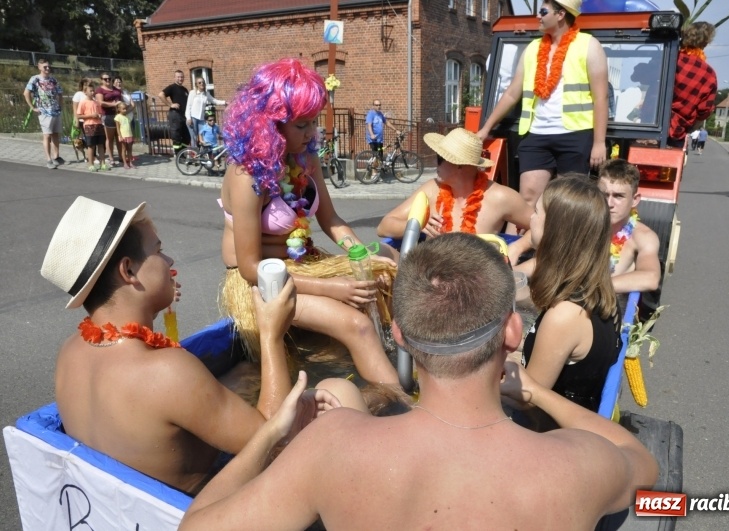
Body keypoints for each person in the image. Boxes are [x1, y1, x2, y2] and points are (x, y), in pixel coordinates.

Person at [178, 233, 659, 530]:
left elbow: (195, 528)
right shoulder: (572, 467)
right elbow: (641, 462)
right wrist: (538, 392)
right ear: (513, 332)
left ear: (401, 338)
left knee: (342, 394)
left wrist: (270, 434)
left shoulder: (328, 447)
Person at [40, 196, 366, 496]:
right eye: (158, 251)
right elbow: (273, 438)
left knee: (241, 377)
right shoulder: (166, 372)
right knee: (340, 392)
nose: (168, 259)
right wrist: (271, 334)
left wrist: (154, 303)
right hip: (207, 505)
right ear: (128, 270)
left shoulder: (71, 352)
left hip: (128, 506)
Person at [219, 58, 399, 385]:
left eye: (313, 122)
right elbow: (250, 268)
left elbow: (331, 220)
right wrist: (332, 288)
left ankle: (391, 377)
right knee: (356, 324)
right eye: (302, 125)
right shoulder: (247, 175)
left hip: (304, 263)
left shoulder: (305, 157)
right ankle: (402, 406)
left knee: (387, 276)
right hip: (265, 283)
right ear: (270, 124)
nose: (311, 133)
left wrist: (362, 257)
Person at [476, 0, 608, 207]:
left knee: (567, 203)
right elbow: (512, 93)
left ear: (560, 14)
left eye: (543, 11)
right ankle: (523, 229)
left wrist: (599, 143)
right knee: (527, 198)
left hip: (575, 134)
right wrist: (485, 128)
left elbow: (601, 98)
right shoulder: (532, 48)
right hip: (536, 134)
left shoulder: (589, 45)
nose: (538, 16)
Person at [519, 176, 620, 414]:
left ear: (554, 230)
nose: (530, 218)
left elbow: (527, 400)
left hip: (550, 430)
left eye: (537, 212)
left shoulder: (564, 316)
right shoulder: (596, 288)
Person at [377, 127, 533, 267]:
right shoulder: (432, 189)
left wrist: (518, 247)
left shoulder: (499, 196)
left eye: (440, 158)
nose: (435, 163)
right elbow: (383, 227)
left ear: (459, 165)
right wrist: (417, 226)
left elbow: (544, 227)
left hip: (477, 281)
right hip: (429, 275)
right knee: (378, 252)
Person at [597, 159, 661, 294]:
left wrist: (593, 290)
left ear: (634, 200)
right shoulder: (584, 226)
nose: (609, 203)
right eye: (604, 195)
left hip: (606, 302)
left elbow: (651, 278)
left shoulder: (642, 236)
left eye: (618, 196)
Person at [668, 21, 717, 149]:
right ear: (705, 43)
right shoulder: (708, 74)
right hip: (677, 131)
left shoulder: (668, 58)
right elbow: (704, 110)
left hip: (651, 124)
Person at [23, 58, 65, 170]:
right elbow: (26, 93)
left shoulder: (53, 79)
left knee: (55, 133)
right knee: (47, 135)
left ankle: (56, 156)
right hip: (44, 111)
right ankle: (48, 159)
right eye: (45, 67)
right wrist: (32, 107)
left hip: (55, 110)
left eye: (48, 66)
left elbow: (60, 93)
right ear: (39, 67)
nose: (47, 68)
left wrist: (60, 106)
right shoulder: (35, 79)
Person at [75, 83, 108, 172]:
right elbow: (79, 115)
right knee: (91, 146)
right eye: (91, 91)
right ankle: (91, 164)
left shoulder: (96, 102)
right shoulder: (83, 102)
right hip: (89, 125)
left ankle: (103, 163)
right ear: (85, 92)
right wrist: (91, 116)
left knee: (101, 144)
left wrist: (99, 115)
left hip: (99, 125)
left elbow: (100, 113)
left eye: (93, 91)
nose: (93, 92)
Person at [186, 77, 226, 147]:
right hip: (193, 118)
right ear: (196, 84)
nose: (202, 84)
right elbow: (188, 106)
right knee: (194, 137)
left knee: (204, 136)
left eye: (203, 82)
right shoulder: (193, 93)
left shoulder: (206, 94)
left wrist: (224, 102)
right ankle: (194, 152)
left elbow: (214, 100)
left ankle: (204, 152)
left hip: (201, 119)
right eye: (199, 83)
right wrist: (188, 118)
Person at [159, 70, 191, 155]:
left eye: (182, 77)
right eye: (178, 77)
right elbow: (161, 95)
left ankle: (182, 154)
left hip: (184, 116)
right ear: (175, 78)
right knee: (176, 137)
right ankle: (178, 155)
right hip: (175, 115)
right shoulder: (172, 87)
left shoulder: (185, 89)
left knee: (186, 137)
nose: (180, 79)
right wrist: (170, 105)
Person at [95, 72, 122, 166]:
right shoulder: (100, 90)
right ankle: (111, 158)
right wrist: (113, 104)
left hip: (118, 115)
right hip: (108, 115)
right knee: (109, 138)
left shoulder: (116, 89)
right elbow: (100, 102)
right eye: (105, 79)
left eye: (109, 78)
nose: (108, 80)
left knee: (119, 137)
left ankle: (121, 156)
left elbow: (120, 99)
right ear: (101, 80)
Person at [71, 77, 91, 163]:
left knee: (90, 139)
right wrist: (76, 120)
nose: (87, 86)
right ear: (82, 85)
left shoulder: (91, 93)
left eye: (89, 85)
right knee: (83, 138)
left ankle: (92, 155)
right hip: (81, 120)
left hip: (90, 120)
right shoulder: (78, 94)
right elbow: (75, 108)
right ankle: (86, 156)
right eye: (85, 85)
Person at [114, 102, 135, 169]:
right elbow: (118, 128)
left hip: (129, 135)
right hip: (123, 136)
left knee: (130, 149)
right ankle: (125, 163)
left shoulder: (127, 116)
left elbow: (129, 127)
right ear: (119, 109)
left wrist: (132, 135)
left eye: (125, 109)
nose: (125, 110)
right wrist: (120, 136)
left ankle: (130, 162)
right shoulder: (118, 117)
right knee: (124, 149)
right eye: (123, 109)